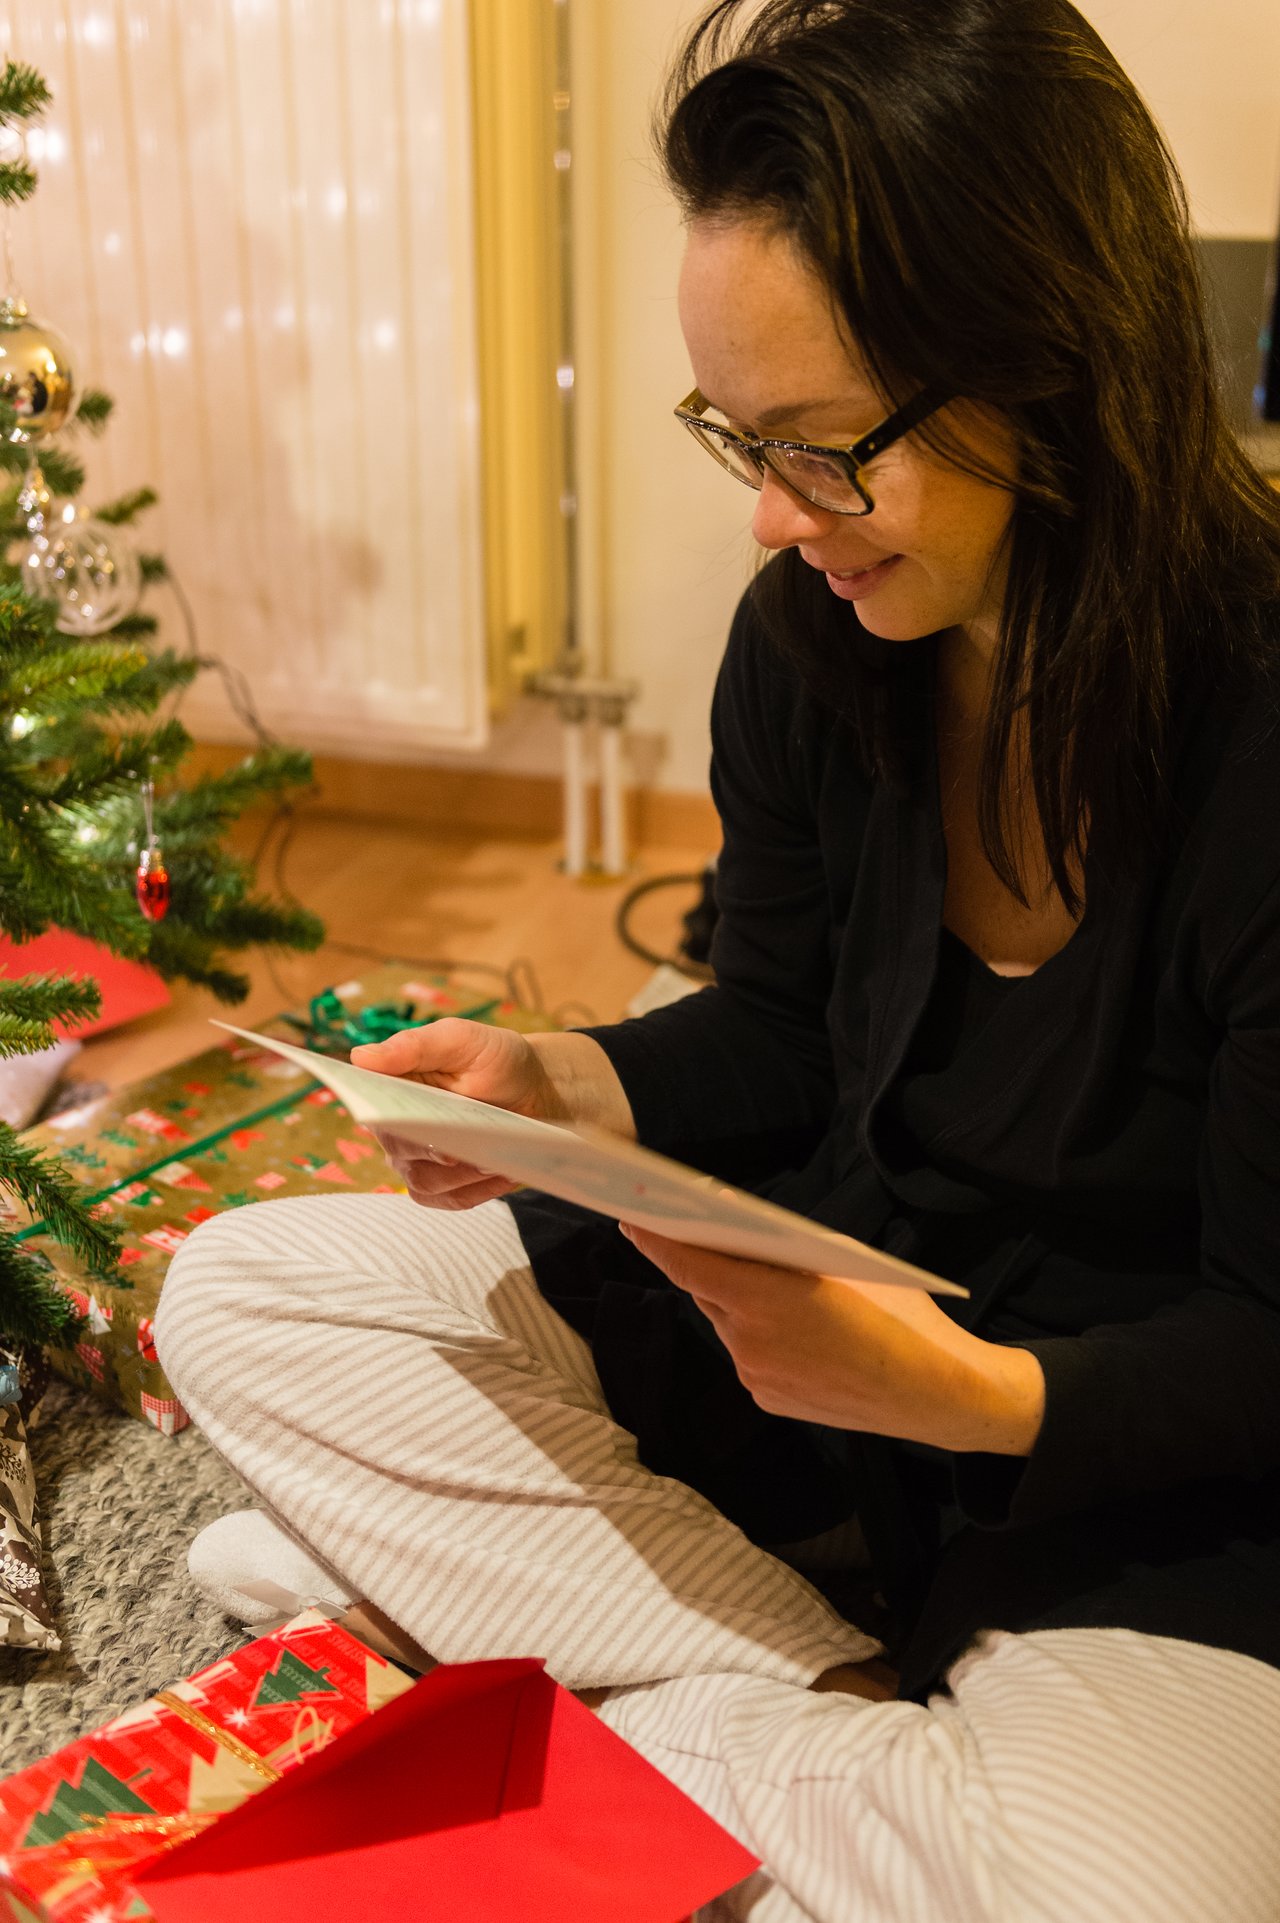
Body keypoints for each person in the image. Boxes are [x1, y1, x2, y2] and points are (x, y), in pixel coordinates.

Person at [155, 1, 1280, 1915]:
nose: (772, 517)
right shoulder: (814, 646)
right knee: (254, 1293)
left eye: (828, 450)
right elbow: (773, 1029)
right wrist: (570, 1086)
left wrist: (970, 1396)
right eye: (738, 439)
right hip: (817, 1346)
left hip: (1125, 1456)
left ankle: (585, 1687)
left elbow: (1264, 1342)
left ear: (1055, 361)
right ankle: (833, 1711)